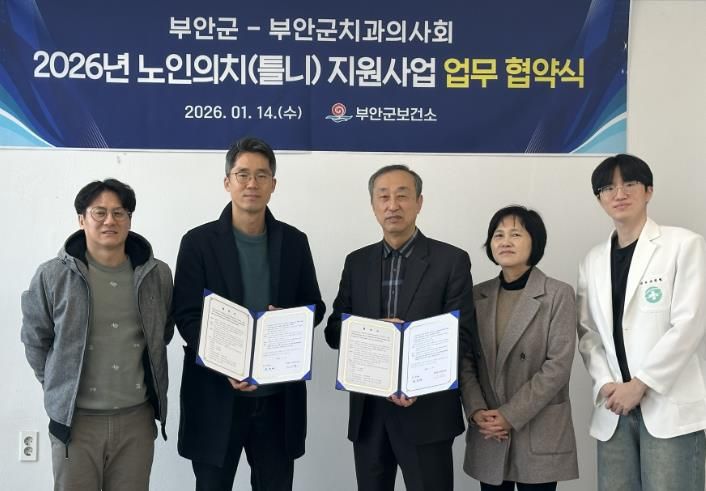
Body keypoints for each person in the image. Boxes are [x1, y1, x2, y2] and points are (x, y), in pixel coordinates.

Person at [173, 136, 325, 491]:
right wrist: (224, 362)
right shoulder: (198, 242)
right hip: (215, 396)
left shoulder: (295, 241)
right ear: (227, 182)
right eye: (242, 174)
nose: (252, 183)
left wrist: (288, 319)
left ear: (273, 184)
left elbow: (314, 306)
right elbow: (186, 314)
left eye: (261, 175)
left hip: (278, 401)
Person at [325, 164, 474, 491]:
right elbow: (334, 331)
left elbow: (461, 336)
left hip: (427, 411)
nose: (393, 205)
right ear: (373, 205)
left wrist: (418, 382)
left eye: (402, 196)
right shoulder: (356, 263)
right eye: (383, 197)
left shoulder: (451, 261)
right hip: (370, 414)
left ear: (419, 202)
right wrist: (372, 332)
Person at [21, 179, 173, 491]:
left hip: (136, 422)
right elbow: (35, 340)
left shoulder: (157, 274)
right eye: (99, 212)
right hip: (76, 424)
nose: (109, 221)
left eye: (119, 213)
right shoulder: (52, 275)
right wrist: (59, 384)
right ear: (82, 219)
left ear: (129, 219)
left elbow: (162, 332)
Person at [577, 154, 706, 490]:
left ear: (648, 191)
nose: (619, 193)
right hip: (614, 409)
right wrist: (605, 383)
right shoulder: (592, 260)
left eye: (629, 184)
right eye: (608, 188)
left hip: (667, 404)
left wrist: (640, 384)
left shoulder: (684, 244)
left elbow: (690, 324)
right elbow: (588, 333)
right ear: (599, 199)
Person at [460, 206, 578, 491]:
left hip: (538, 427)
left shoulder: (558, 294)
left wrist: (509, 415)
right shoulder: (477, 295)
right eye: (498, 235)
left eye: (515, 234)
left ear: (535, 242)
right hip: (489, 429)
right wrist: (477, 410)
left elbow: (558, 366)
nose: (505, 241)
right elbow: (465, 360)